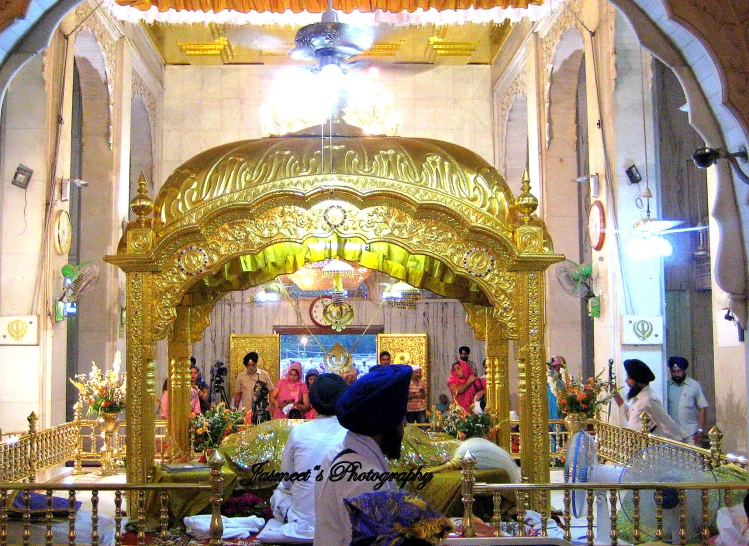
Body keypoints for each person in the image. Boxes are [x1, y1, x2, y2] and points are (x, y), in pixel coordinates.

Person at [314, 364, 412, 546]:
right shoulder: (363, 477)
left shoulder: (340, 456)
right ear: (386, 422)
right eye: (401, 417)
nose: (404, 424)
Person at [268, 374, 348, 538]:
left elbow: (286, 480)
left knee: (280, 493)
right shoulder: (353, 433)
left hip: (302, 521)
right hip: (344, 522)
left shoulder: (299, 432)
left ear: (312, 402)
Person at [612, 359, 681, 441]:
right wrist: (616, 396)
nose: (626, 380)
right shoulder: (638, 398)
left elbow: (668, 424)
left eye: (629, 378)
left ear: (638, 381)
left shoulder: (648, 400)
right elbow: (629, 416)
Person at [666, 356, 709, 445]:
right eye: (673, 372)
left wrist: (700, 431)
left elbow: (702, 409)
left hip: (691, 434)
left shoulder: (694, 385)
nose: (676, 374)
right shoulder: (667, 386)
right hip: (673, 434)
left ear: (684, 371)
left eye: (679, 371)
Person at [547, 356, 566, 452]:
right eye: (556, 366)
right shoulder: (550, 380)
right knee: (553, 435)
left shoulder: (563, 379)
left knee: (562, 435)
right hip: (552, 411)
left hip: (561, 411)